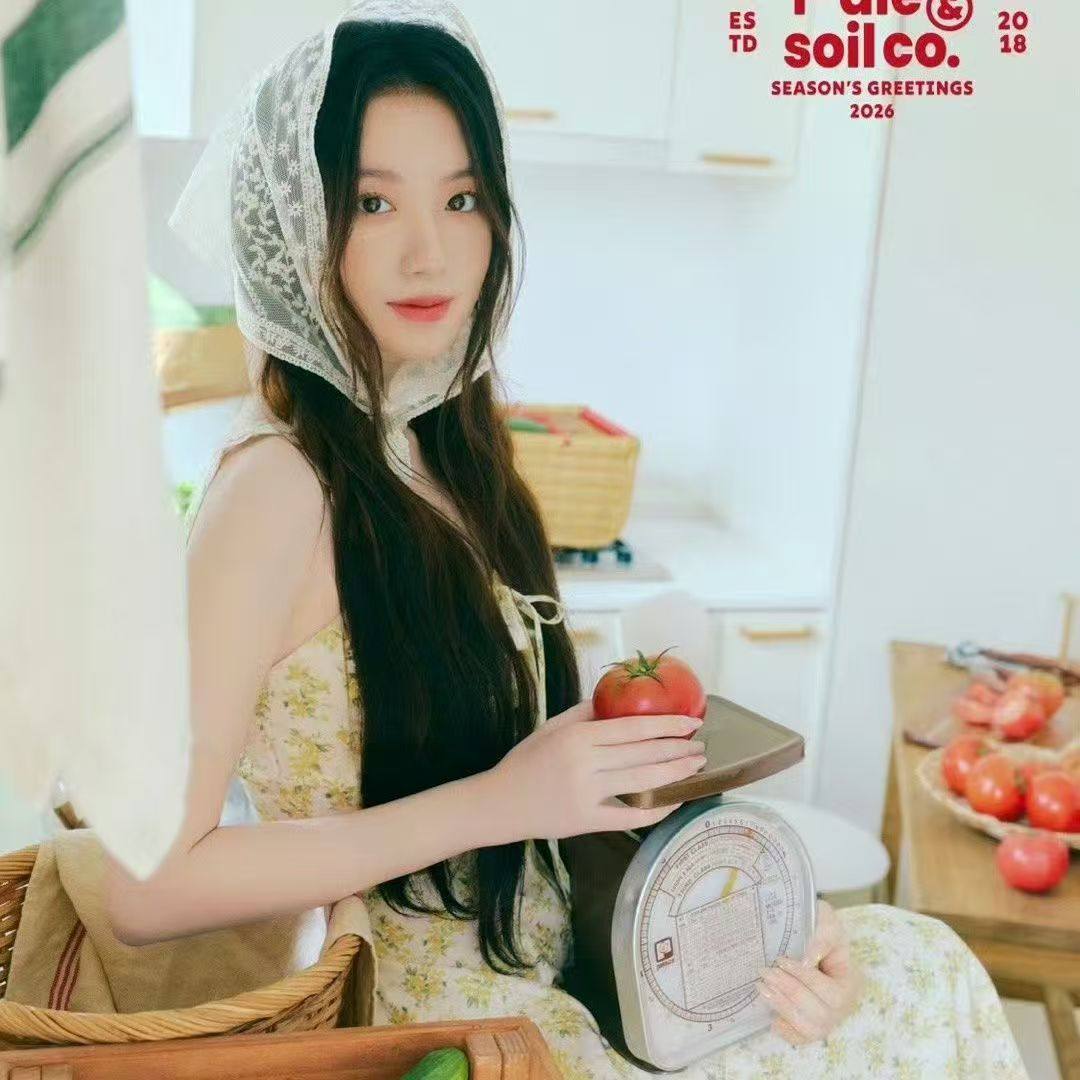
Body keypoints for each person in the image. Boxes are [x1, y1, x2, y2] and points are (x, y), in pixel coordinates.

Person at [106, 3, 1030, 1076]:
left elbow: (548, 818)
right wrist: (501, 801)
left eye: (462, 199)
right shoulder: (278, 488)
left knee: (915, 962)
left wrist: (760, 927)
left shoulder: (448, 449)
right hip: (445, 1024)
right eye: (372, 201)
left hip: (559, 964)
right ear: (299, 225)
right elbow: (146, 888)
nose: (430, 250)